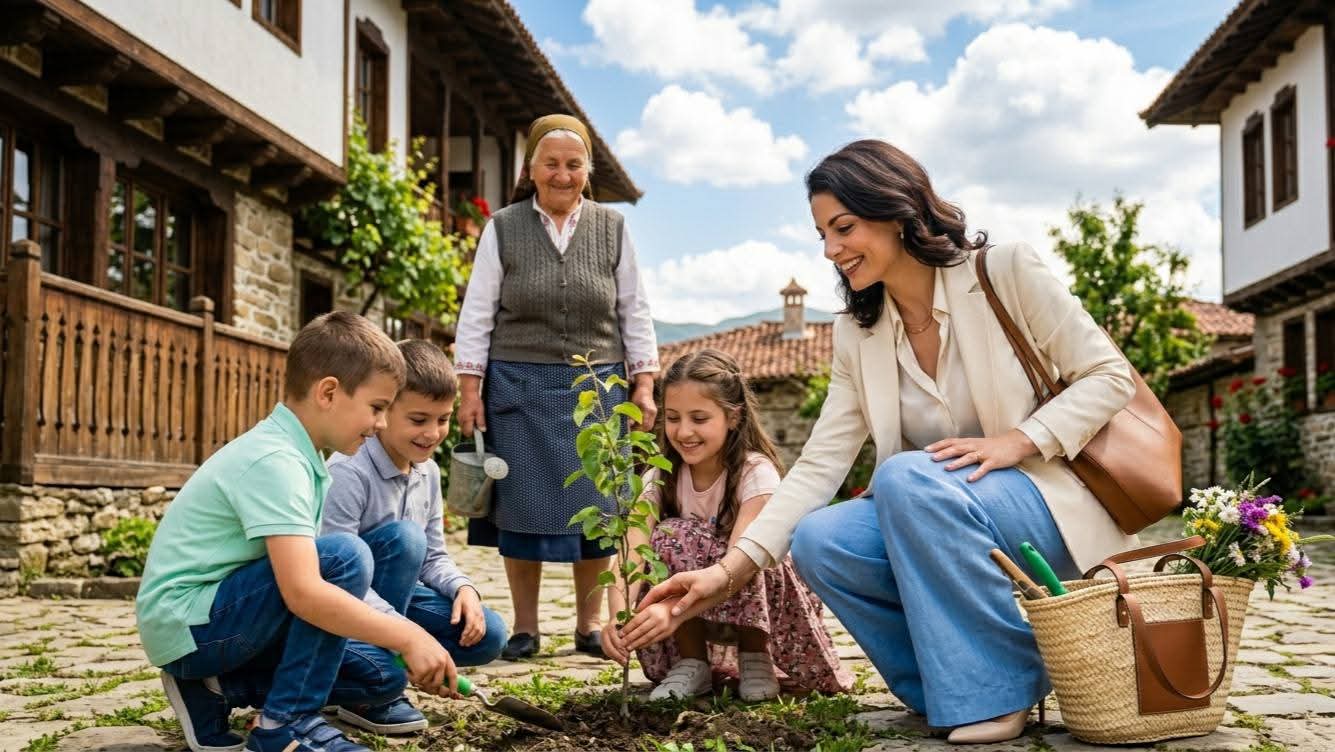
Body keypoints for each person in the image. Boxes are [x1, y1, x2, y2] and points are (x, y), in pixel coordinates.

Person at [626, 140, 1138, 744]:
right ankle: (949, 687)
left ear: (898, 212)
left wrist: (1017, 441)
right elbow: (820, 463)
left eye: (843, 227)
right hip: (928, 514)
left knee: (901, 475)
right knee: (822, 539)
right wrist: (727, 573)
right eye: (821, 234)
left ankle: (997, 689)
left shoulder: (1005, 272)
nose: (830, 249)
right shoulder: (858, 331)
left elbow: (1111, 376)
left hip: (1042, 505)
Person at [136, 312, 459, 752]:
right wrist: (409, 634)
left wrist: (397, 642)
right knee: (344, 557)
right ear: (328, 392)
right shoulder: (277, 462)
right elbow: (304, 592)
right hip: (190, 626)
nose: (381, 423)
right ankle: (286, 724)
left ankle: (218, 689)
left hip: (223, 621)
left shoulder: (301, 456)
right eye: (377, 408)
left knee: (382, 675)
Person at [453, 113, 659, 660]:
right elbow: (477, 313)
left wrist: (644, 384)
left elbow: (634, 310)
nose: (562, 174)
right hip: (517, 384)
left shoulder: (613, 228)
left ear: (587, 170)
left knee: (596, 508)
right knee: (519, 509)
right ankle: (525, 627)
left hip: (598, 385)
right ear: (532, 168)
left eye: (573, 164)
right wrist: (469, 390)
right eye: (552, 163)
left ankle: (589, 625)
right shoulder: (503, 227)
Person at [600, 350, 850, 701]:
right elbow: (633, 549)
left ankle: (755, 655)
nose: (683, 431)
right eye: (673, 418)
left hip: (747, 589)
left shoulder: (754, 472)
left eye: (699, 418)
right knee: (671, 538)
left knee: (755, 551)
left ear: (732, 417)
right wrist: (619, 615)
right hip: (693, 605)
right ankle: (693, 662)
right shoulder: (661, 475)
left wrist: (670, 610)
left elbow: (742, 566)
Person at [321, 339, 508, 734]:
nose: (432, 434)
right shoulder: (348, 470)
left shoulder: (428, 472)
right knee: (405, 539)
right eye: (418, 419)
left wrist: (464, 589)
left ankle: (368, 673)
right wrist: (407, 637)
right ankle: (372, 690)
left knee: (489, 635)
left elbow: (434, 555)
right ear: (385, 410)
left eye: (442, 419)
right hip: (347, 604)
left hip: (397, 599)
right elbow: (333, 575)